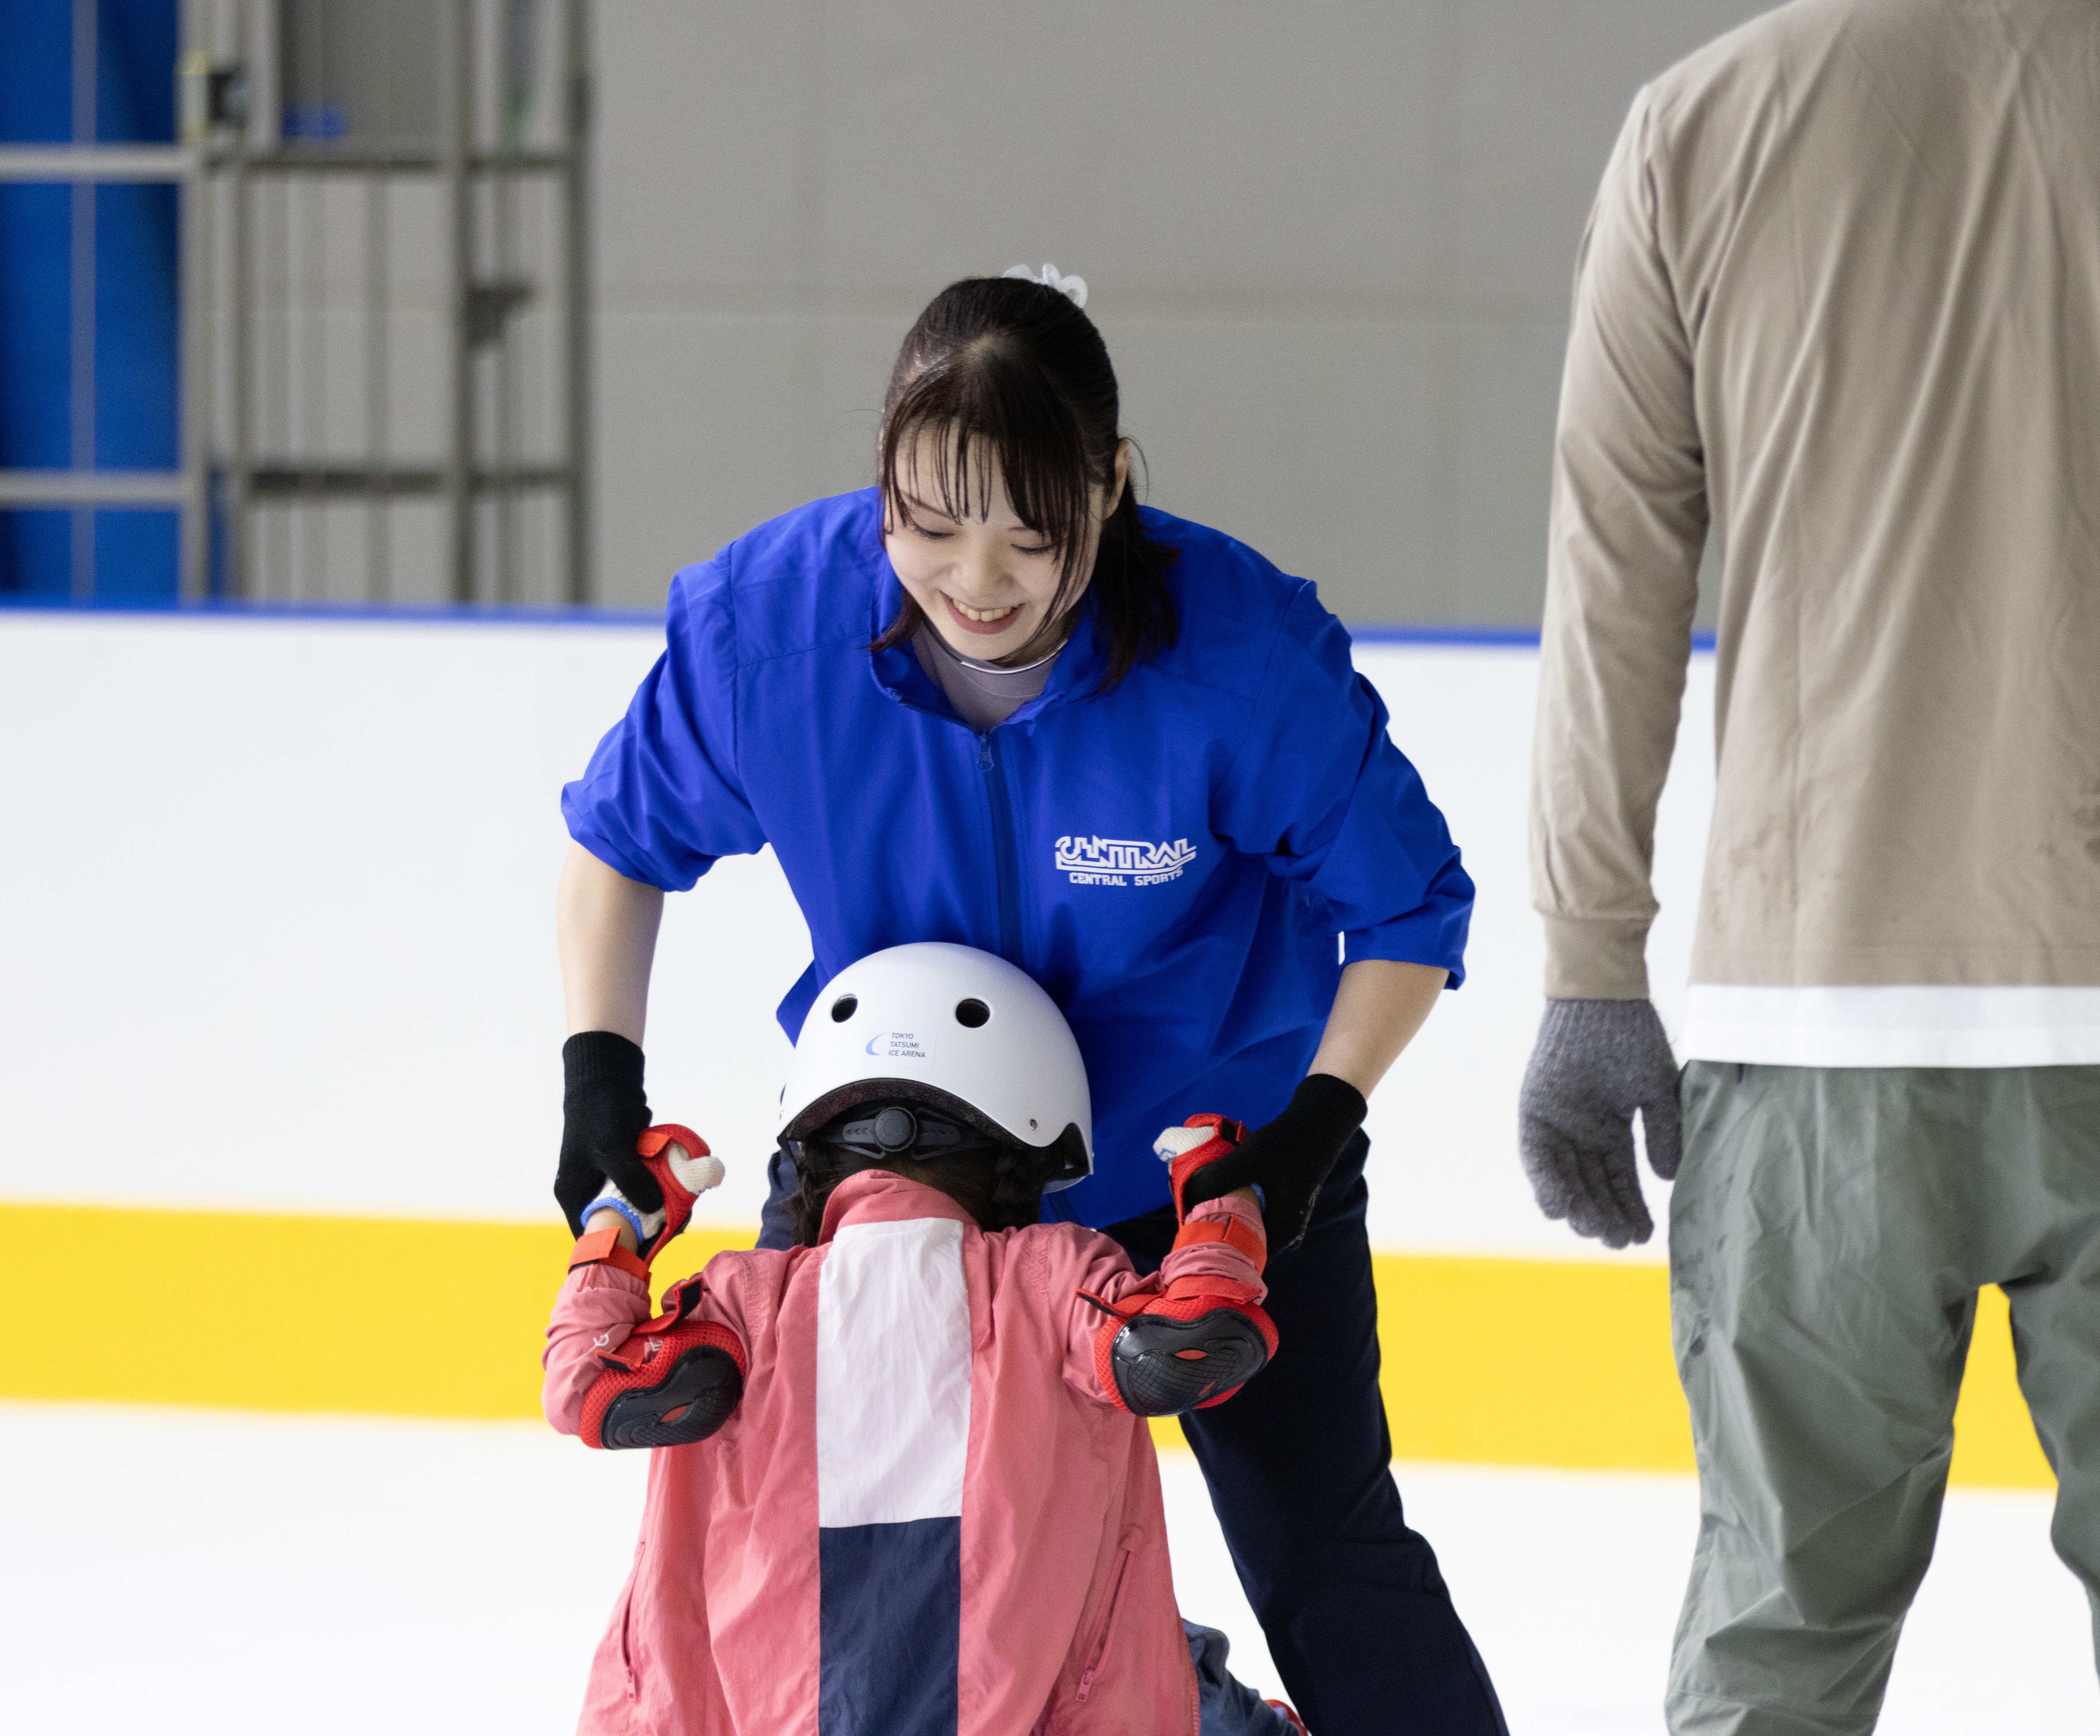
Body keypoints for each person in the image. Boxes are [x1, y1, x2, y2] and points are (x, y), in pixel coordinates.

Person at [1520, 1, 2100, 1731]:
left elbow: (1612, 586)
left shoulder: (1697, 127)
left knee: (1773, 1658)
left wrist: (1593, 965)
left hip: (1816, 1065)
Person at [556, 268, 1505, 1734]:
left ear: (1111, 487)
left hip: (1219, 1184)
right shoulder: (774, 635)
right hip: (905, 1191)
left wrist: (1312, 1131)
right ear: (881, 495)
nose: (976, 581)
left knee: (1323, 1551)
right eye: (929, 527)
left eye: (1030, 533)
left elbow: (1410, 911)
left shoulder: (1238, 659)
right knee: (833, 1573)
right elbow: (619, 845)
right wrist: (597, 1080)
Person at [545, 943, 1304, 1734]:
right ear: (1030, 1145)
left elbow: (588, 1389)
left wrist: (618, 1230)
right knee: (1142, 1645)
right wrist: (1223, 1207)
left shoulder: (746, 1299)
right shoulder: (1049, 1279)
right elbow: (1188, 1347)